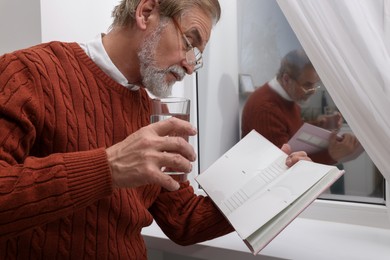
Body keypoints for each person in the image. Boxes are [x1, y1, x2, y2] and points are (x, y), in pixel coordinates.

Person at [0, 1, 311, 259]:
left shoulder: (149, 111)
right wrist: (108, 167)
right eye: (190, 42)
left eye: (197, 55)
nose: (190, 65)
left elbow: (184, 220)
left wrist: (274, 189)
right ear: (146, 12)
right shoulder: (28, 73)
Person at [241, 49, 361, 169]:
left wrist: (322, 124)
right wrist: (332, 154)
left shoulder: (287, 96)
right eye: (307, 85)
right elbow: (281, 167)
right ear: (286, 79)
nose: (313, 91)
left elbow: (290, 130)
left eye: (315, 84)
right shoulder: (266, 109)